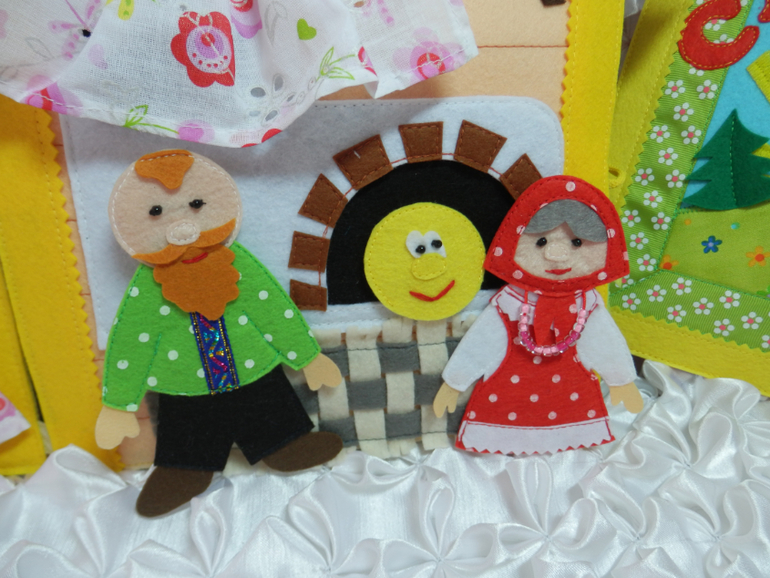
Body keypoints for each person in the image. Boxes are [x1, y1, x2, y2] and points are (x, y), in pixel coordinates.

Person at [95, 149, 343, 516]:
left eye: (196, 204)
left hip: (250, 367)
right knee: (186, 426)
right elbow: (134, 342)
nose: (181, 225)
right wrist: (119, 404)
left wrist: (307, 357)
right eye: (156, 211)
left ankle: (284, 444)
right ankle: (184, 469)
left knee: (269, 403)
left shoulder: (237, 264)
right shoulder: (147, 288)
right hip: (185, 382)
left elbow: (271, 311)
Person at [433, 175, 643, 455]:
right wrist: (455, 382)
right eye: (541, 241)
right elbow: (483, 342)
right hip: (508, 396)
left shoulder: (586, 303)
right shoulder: (510, 302)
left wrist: (620, 381)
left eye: (576, 242)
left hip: (570, 397)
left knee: (570, 422)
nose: (557, 254)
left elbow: (602, 341)